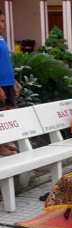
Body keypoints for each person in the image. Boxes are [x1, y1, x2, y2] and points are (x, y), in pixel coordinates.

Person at [0, 9, 20, 156]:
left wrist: (13, 82)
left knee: (9, 115)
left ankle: (5, 143)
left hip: (8, 84)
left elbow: (6, 63)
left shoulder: (2, 39)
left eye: (3, 21)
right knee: (1, 117)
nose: (1, 24)